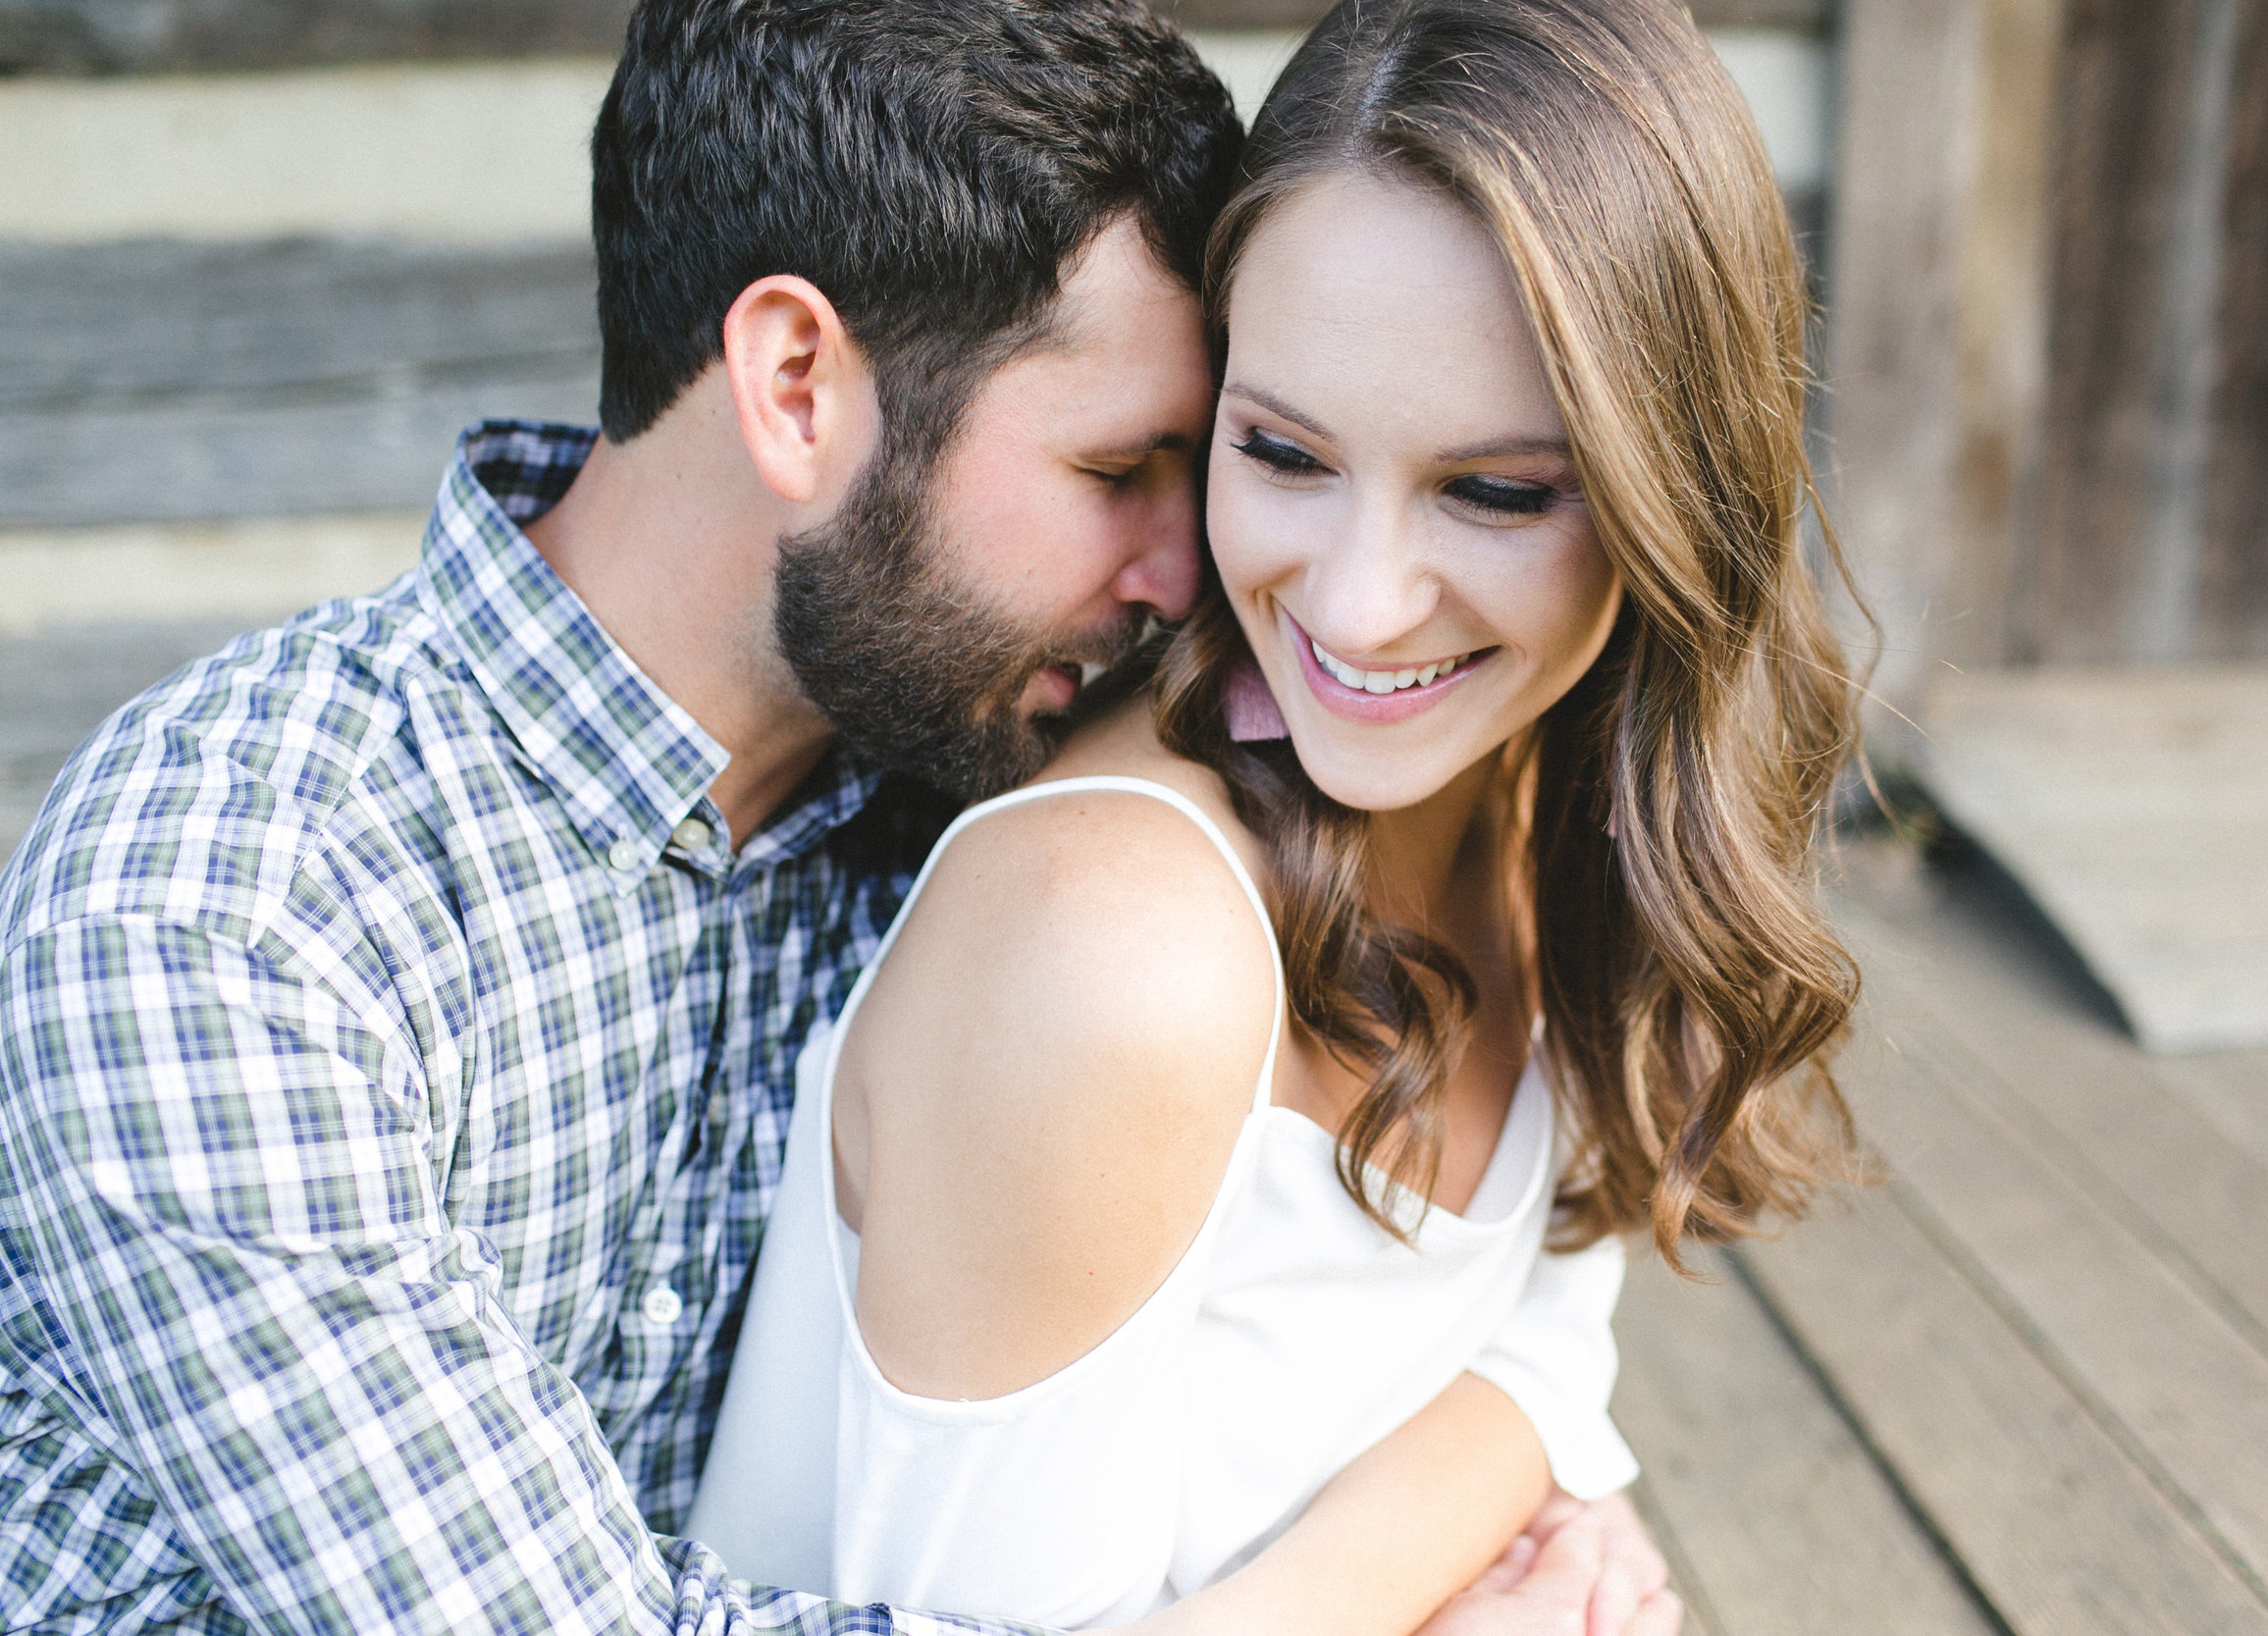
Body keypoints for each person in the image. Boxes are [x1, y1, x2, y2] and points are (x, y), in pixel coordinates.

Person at [0, 2, 1653, 1630]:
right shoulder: (226, 909)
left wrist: (1506, 1481)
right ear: (797, 383)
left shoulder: (969, 763)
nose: (1186, 580)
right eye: (1116, 471)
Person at [687, 0, 1864, 1632]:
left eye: (1498, 490)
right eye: (1285, 453)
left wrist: (1504, 1482)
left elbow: (1540, 1347)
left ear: (1677, 488)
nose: (1365, 610)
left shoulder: (1521, 775)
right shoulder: (1118, 947)